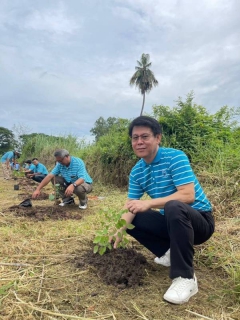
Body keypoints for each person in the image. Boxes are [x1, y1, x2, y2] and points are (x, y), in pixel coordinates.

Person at [111, 116, 214, 305]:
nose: (139, 142)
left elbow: (187, 195)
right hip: (172, 222)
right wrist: (118, 230)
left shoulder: (175, 157)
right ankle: (169, 252)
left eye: (145, 136)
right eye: (135, 138)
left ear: (157, 138)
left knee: (173, 206)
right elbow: (130, 205)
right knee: (134, 214)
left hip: (199, 221)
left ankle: (186, 278)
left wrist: (150, 203)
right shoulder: (137, 171)